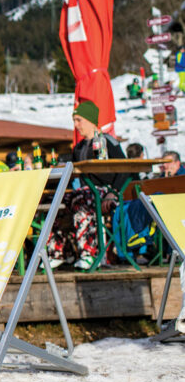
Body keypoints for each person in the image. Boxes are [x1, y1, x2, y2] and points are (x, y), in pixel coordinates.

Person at [47, 101, 127, 270]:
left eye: (79, 120)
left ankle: (89, 253)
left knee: (81, 201)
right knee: (54, 202)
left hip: (106, 191)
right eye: (74, 121)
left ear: (91, 120)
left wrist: (113, 192)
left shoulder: (108, 141)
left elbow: (125, 168)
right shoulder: (78, 148)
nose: (76, 125)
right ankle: (60, 252)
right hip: (85, 191)